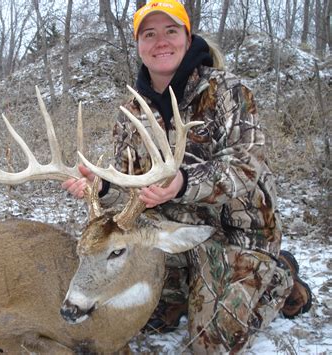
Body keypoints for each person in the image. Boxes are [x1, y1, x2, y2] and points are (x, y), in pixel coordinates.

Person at [62, 1, 312, 353]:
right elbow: (135, 197)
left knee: (210, 344)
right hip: (170, 236)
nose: (160, 41)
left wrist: (184, 183)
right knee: (148, 317)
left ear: (187, 35)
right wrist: (102, 187)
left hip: (235, 235)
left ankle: (279, 277)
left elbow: (246, 166)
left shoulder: (228, 91)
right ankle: (188, 287)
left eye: (170, 31)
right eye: (149, 34)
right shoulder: (131, 113)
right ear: (138, 44)